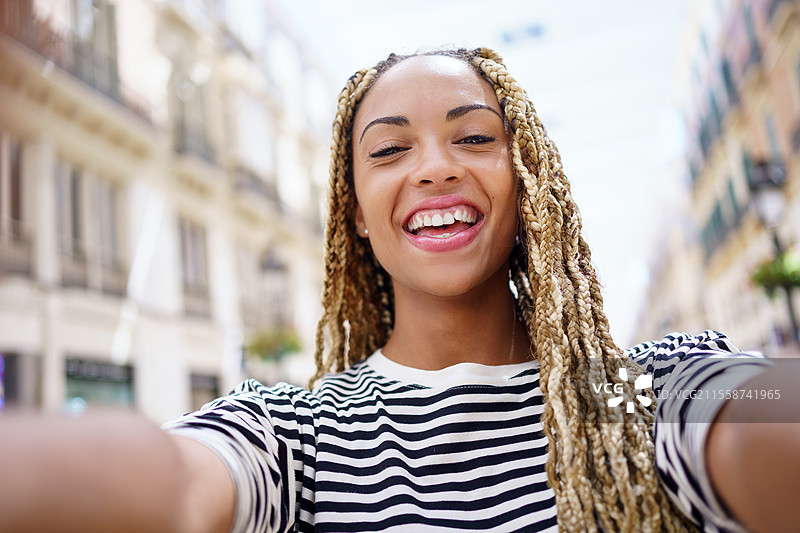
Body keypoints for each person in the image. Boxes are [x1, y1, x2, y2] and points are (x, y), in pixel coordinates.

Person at [1, 47, 799, 533]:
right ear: (353, 214)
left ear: (527, 186)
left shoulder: (629, 391)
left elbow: (765, 410)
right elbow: (174, 481)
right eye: (389, 150)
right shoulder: (302, 435)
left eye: (474, 137)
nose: (433, 166)